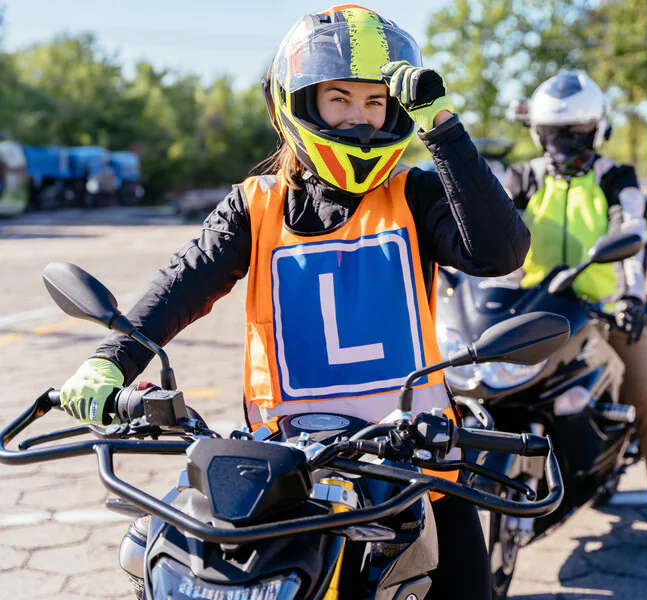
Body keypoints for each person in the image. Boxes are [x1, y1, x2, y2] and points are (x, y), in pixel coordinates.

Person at [58, 6, 530, 597]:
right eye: (339, 99)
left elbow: (501, 251)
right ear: (296, 104)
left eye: (376, 103)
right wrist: (110, 361)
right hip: (285, 470)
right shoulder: (254, 205)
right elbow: (181, 283)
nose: (359, 120)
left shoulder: (414, 192)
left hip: (414, 462)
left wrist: (442, 126)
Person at [504, 72, 647, 561]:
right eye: (554, 132)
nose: (564, 143)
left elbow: (632, 232)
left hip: (603, 312)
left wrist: (632, 298)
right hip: (533, 311)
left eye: (576, 132)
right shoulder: (524, 177)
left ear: (596, 131)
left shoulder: (617, 178)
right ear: (538, 132)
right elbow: (491, 232)